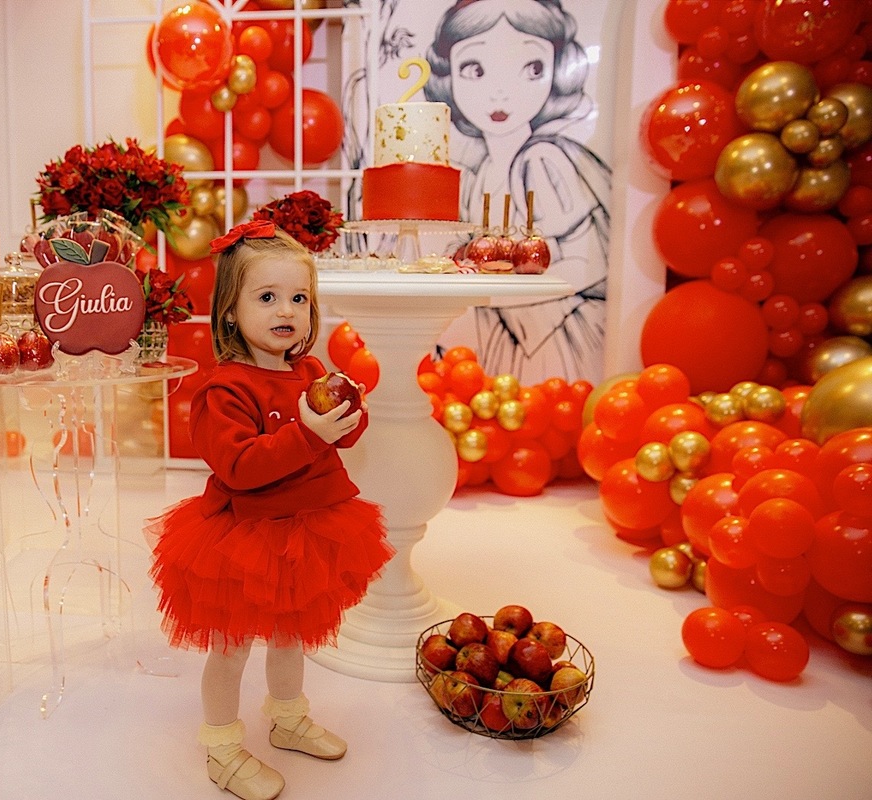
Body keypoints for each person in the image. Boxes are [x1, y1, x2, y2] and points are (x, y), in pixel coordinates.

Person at [147, 220, 393, 800]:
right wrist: (308, 433)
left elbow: (336, 442)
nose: (287, 309)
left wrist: (346, 418)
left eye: (299, 298)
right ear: (230, 311)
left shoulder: (309, 373)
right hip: (246, 541)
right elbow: (240, 468)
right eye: (267, 297)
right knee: (231, 649)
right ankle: (223, 747)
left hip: (308, 531)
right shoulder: (223, 389)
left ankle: (287, 717)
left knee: (291, 637)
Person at [423, 0, 613, 384]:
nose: (499, 93)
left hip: (551, 337)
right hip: (506, 330)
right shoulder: (480, 173)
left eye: (531, 67)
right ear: (449, 77)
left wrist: (485, 295)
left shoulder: (543, 159)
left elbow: (586, 264)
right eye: (474, 69)